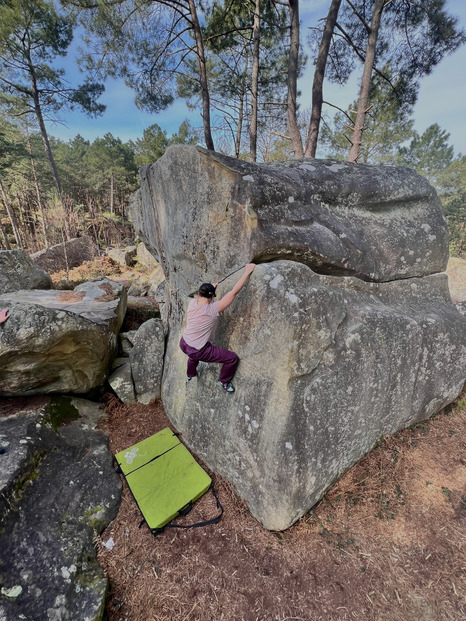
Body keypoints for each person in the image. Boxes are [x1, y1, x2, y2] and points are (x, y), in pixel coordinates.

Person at [179, 263, 256, 393]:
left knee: (192, 356)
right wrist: (247, 271)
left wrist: (211, 289)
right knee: (232, 359)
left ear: (199, 294)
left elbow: (205, 302)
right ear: (212, 297)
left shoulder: (192, 303)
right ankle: (224, 381)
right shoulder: (214, 309)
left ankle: (190, 374)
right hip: (199, 350)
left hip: (184, 343)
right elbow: (234, 292)